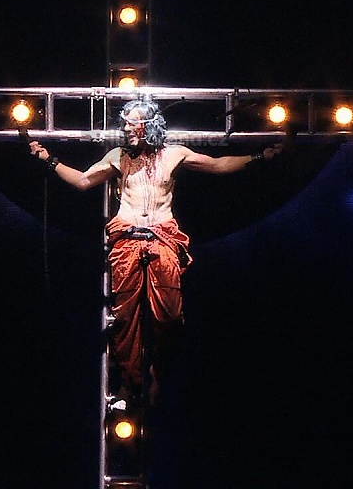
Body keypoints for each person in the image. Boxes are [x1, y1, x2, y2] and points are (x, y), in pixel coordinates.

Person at [28, 97, 281, 407]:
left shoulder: (174, 154)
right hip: (128, 241)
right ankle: (129, 383)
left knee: (171, 317)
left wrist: (259, 156)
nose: (126, 129)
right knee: (124, 320)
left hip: (162, 240)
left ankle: (158, 371)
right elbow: (83, 180)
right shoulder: (118, 156)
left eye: (133, 123)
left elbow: (217, 164)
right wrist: (48, 160)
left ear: (149, 125)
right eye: (125, 124)